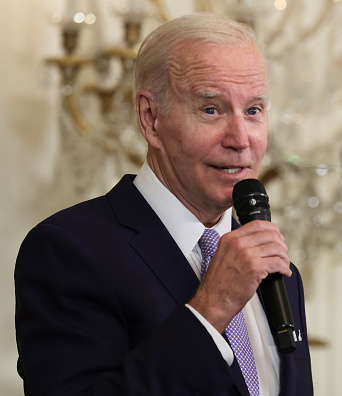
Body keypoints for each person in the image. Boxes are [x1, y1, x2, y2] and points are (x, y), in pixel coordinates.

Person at [15, 12, 314, 396]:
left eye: (253, 110)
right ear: (150, 117)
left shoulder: (277, 270)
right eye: (211, 110)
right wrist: (210, 311)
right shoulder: (68, 250)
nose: (241, 138)